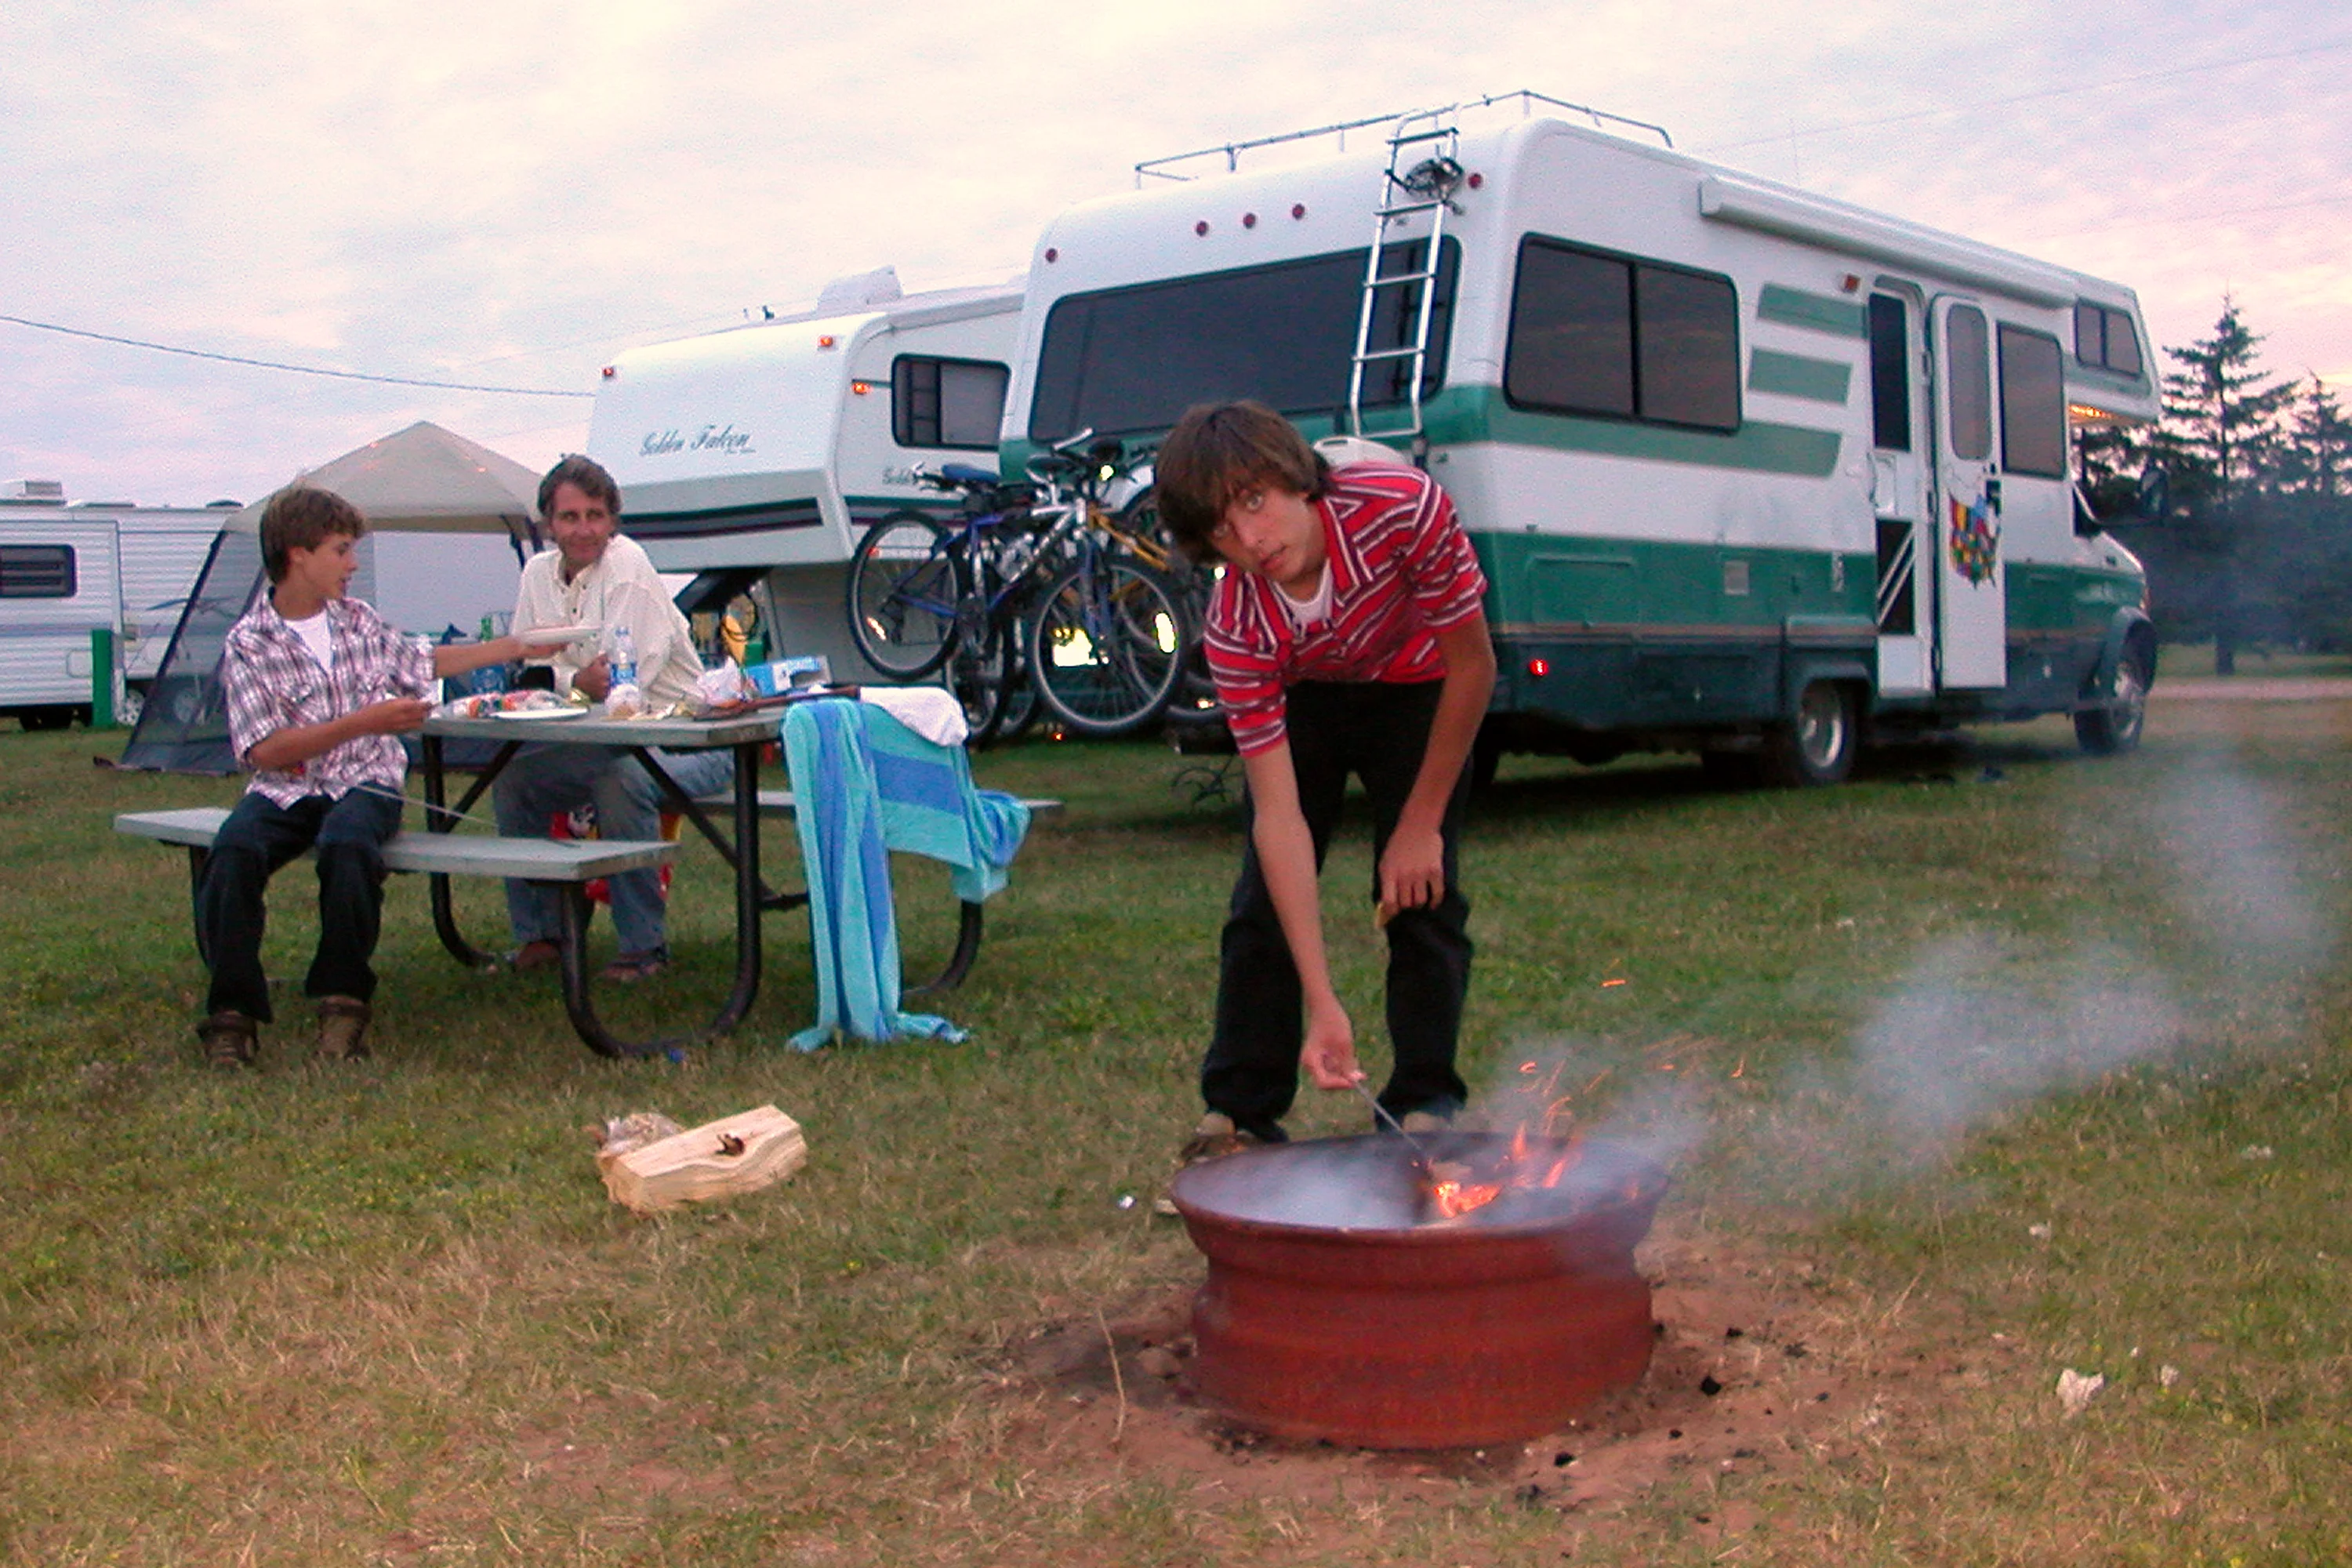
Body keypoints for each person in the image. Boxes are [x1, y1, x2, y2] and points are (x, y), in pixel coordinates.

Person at [1154, 402, 1497, 1158]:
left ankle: (1425, 1100)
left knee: (1420, 893)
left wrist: (1421, 824)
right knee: (1260, 904)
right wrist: (1324, 1002)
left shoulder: (1401, 511)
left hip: (1418, 685)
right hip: (1307, 696)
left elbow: (1473, 664)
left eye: (1254, 501)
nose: (1248, 539)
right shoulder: (1237, 626)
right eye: (1220, 529)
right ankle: (1240, 1113)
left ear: (1297, 479)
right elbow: (1280, 821)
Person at [198, 485, 564, 1067]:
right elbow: (265, 751)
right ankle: (231, 1016)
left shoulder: (359, 621)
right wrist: (366, 719)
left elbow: (423, 662)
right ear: (298, 554)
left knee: (348, 847)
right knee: (233, 852)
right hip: (287, 787)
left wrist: (517, 645)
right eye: (341, 551)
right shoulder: (248, 643)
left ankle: (343, 1008)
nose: (352, 564)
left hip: (365, 780)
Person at [493, 455, 732, 982]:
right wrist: (571, 681)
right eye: (571, 517)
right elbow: (530, 669)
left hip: (693, 738)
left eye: (596, 516)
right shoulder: (537, 574)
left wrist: (560, 679)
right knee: (515, 782)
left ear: (613, 520)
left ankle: (644, 946)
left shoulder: (628, 567)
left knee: (620, 780)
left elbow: (625, 688)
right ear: (548, 523)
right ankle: (542, 935)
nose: (584, 530)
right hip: (608, 736)